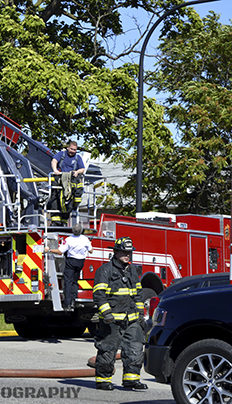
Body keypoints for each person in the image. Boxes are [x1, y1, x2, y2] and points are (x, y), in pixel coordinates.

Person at [93, 236, 147, 391]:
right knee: (107, 350)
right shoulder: (105, 270)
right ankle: (103, 380)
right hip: (112, 321)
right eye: (124, 252)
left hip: (131, 320)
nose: (127, 255)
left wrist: (140, 315)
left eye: (129, 252)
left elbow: (138, 294)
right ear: (115, 252)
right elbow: (99, 294)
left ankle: (131, 380)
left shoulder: (132, 271)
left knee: (135, 350)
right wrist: (107, 313)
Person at [45, 222, 93, 311]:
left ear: (72, 230)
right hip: (80, 262)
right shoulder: (85, 239)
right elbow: (91, 251)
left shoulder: (69, 239)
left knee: (68, 282)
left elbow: (60, 252)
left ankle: (67, 303)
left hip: (71, 262)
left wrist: (49, 250)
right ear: (81, 230)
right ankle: (73, 301)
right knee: (75, 281)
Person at [49, 140, 85, 226]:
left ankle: (64, 220)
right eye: (71, 149)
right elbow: (54, 161)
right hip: (59, 179)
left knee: (69, 199)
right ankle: (55, 220)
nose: (73, 151)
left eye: (75, 150)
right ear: (68, 148)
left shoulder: (78, 157)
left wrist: (77, 172)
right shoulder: (61, 154)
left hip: (71, 182)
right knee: (55, 196)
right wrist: (55, 170)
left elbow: (82, 169)